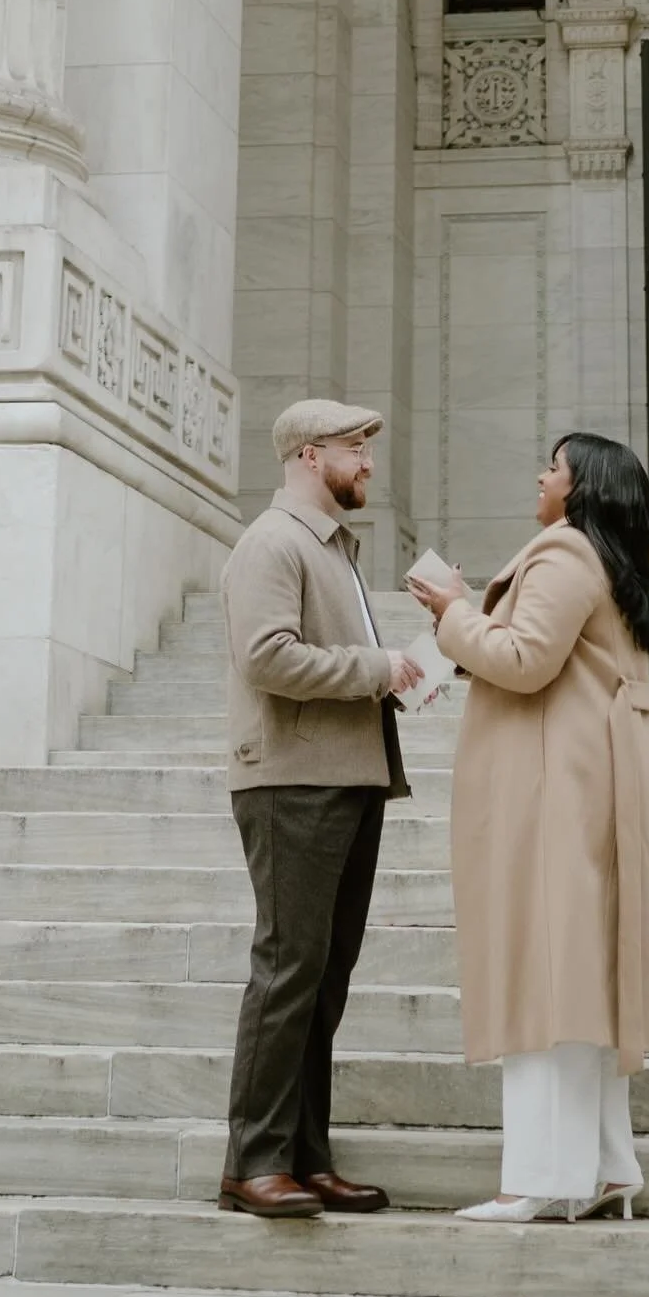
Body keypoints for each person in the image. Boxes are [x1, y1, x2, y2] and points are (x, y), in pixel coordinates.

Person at [408, 431, 649, 1223]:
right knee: (587, 977)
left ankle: (540, 1178)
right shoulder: (614, 558)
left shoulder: (564, 553)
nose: (540, 473)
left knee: (546, 975)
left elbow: (527, 657)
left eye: (554, 466)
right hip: (599, 775)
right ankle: (602, 1164)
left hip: (559, 784)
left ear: (582, 487)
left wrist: (453, 610)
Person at [218, 399, 423, 1219]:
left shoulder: (332, 547)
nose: (368, 460)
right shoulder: (272, 542)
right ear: (310, 455)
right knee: (288, 970)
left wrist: (398, 673)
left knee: (322, 978)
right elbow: (267, 657)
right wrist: (378, 667)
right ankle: (254, 1160)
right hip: (291, 782)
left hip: (345, 777)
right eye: (355, 446)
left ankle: (305, 1155)